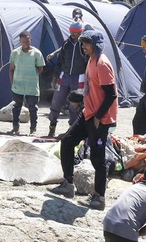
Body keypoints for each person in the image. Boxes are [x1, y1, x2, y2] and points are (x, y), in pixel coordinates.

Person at [49, 29, 117, 210]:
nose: (83, 46)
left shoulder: (102, 64)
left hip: (99, 119)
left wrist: (98, 117)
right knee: (67, 141)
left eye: (86, 43)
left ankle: (99, 198)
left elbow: (111, 95)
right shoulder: (91, 61)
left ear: (95, 45)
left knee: (98, 158)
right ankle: (68, 184)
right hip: (87, 113)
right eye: (83, 43)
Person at [45, 19, 88, 137]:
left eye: (76, 31)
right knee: (56, 102)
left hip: (79, 77)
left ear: (81, 31)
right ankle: (52, 128)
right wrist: (55, 77)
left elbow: (88, 63)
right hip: (64, 76)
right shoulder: (66, 44)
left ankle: (72, 131)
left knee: (75, 105)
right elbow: (59, 62)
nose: (73, 33)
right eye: (71, 31)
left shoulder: (84, 45)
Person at [9, 30, 45, 135]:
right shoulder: (15, 53)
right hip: (18, 85)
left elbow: (40, 69)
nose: (25, 44)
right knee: (16, 107)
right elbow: (11, 69)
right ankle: (15, 127)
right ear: (20, 41)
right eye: (23, 42)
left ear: (30, 40)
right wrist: (12, 82)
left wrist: (30, 74)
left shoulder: (36, 53)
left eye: (27, 41)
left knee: (33, 108)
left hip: (31, 86)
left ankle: (33, 129)